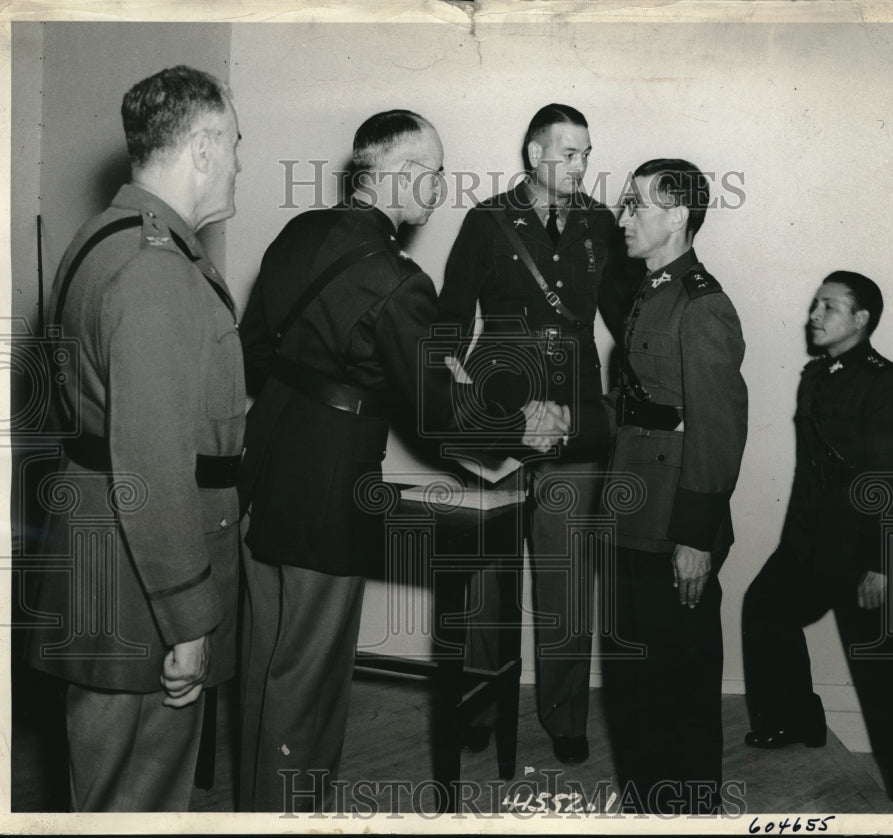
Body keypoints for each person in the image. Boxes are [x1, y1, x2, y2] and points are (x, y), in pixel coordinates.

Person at [237, 109, 567, 813]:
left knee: (263, 668)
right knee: (311, 686)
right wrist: (523, 428)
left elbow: (256, 351)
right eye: (436, 173)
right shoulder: (396, 276)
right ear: (405, 172)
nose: (439, 189)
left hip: (262, 469)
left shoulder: (298, 233)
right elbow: (440, 410)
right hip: (330, 488)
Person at [23, 66, 244, 811]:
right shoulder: (157, 272)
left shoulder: (104, 239)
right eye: (236, 144)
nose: (241, 163)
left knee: (107, 787)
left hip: (102, 565)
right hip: (140, 585)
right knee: (139, 801)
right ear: (206, 147)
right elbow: (150, 465)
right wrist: (187, 620)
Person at [437, 103, 639, 765]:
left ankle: (565, 716)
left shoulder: (600, 223)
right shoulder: (486, 220)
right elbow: (447, 325)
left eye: (587, 152)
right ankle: (481, 705)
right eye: (569, 152)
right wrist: (463, 411)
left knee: (565, 579)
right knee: (490, 577)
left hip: (577, 424)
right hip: (502, 421)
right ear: (534, 154)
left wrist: (622, 403)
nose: (582, 165)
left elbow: (632, 317)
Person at [741, 271, 893, 814]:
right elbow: (812, 475)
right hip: (817, 543)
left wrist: (885, 565)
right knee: (766, 608)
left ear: (860, 320)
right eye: (815, 304)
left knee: (892, 679)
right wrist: (793, 547)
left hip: (875, 549)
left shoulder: (885, 383)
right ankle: (793, 719)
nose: (814, 314)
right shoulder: (815, 377)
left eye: (829, 307)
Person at [601, 159, 748, 814]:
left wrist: (695, 537)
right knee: (634, 681)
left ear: (678, 217)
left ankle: (687, 814)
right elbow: (640, 404)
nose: (623, 215)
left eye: (637, 205)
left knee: (679, 687)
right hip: (633, 512)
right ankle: (644, 807)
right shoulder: (650, 290)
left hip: (671, 528)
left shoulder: (702, 305)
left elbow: (718, 434)